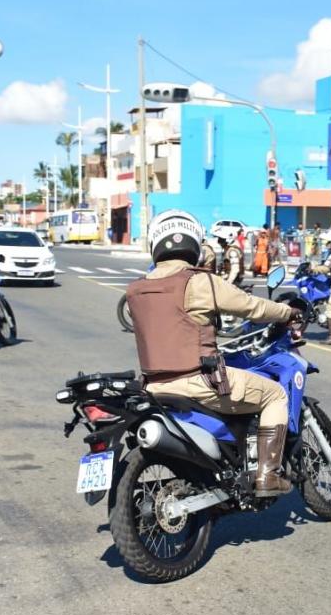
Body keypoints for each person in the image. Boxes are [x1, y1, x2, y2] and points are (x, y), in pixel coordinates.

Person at [126, 210, 300, 497]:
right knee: (275, 395)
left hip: (154, 387)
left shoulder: (136, 290)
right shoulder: (199, 281)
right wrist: (287, 313)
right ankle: (268, 475)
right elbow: (251, 307)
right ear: (194, 242)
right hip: (200, 383)